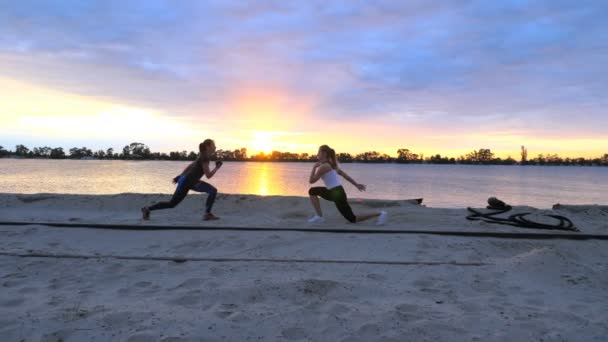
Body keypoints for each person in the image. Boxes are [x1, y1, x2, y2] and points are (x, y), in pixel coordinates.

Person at [142, 139, 222, 221]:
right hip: (191, 182)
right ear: (208, 147)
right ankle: (207, 214)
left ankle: (147, 209)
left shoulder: (201, 156)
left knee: (172, 204)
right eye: (213, 145)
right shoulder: (205, 157)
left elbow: (190, 166)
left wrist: (180, 176)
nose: (215, 147)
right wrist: (217, 168)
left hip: (186, 181)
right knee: (213, 191)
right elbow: (208, 175)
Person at [308, 145, 387, 225]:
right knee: (312, 191)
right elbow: (345, 176)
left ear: (324, 153)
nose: (317, 154)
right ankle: (319, 216)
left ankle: (380, 213)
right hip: (337, 192)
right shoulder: (332, 165)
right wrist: (356, 184)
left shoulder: (324, 167)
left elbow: (311, 181)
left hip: (336, 193)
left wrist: (314, 168)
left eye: (319, 152)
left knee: (353, 219)